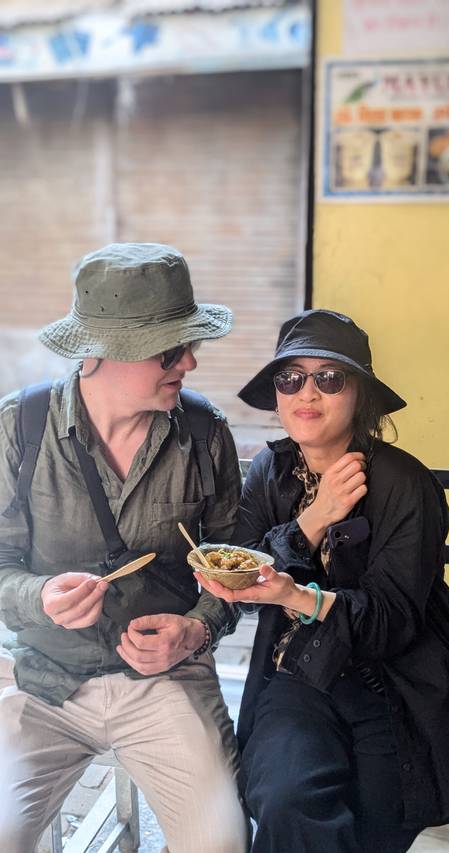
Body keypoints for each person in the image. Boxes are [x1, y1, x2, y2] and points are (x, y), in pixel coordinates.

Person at [196, 309, 449, 853]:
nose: (307, 393)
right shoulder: (269, 471)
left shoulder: (406, 484)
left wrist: (297, 595)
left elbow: (393, 622)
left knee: (375, 812)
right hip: (298, 673)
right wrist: (314, 518)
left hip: (392, 684)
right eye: (290, 378)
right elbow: (246, 565)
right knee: (284, 799)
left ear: (360, 395)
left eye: (329, 378)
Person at [0, 242, 248, 853]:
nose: (190, 361)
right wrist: (38, 597)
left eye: (192, 344)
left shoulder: (204, 433)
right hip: (41, 682)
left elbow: (238, 564)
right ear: (101, 351)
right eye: (171, 347)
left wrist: (197, 629)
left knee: (220, 842)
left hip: (168, 682)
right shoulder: (20, 428)